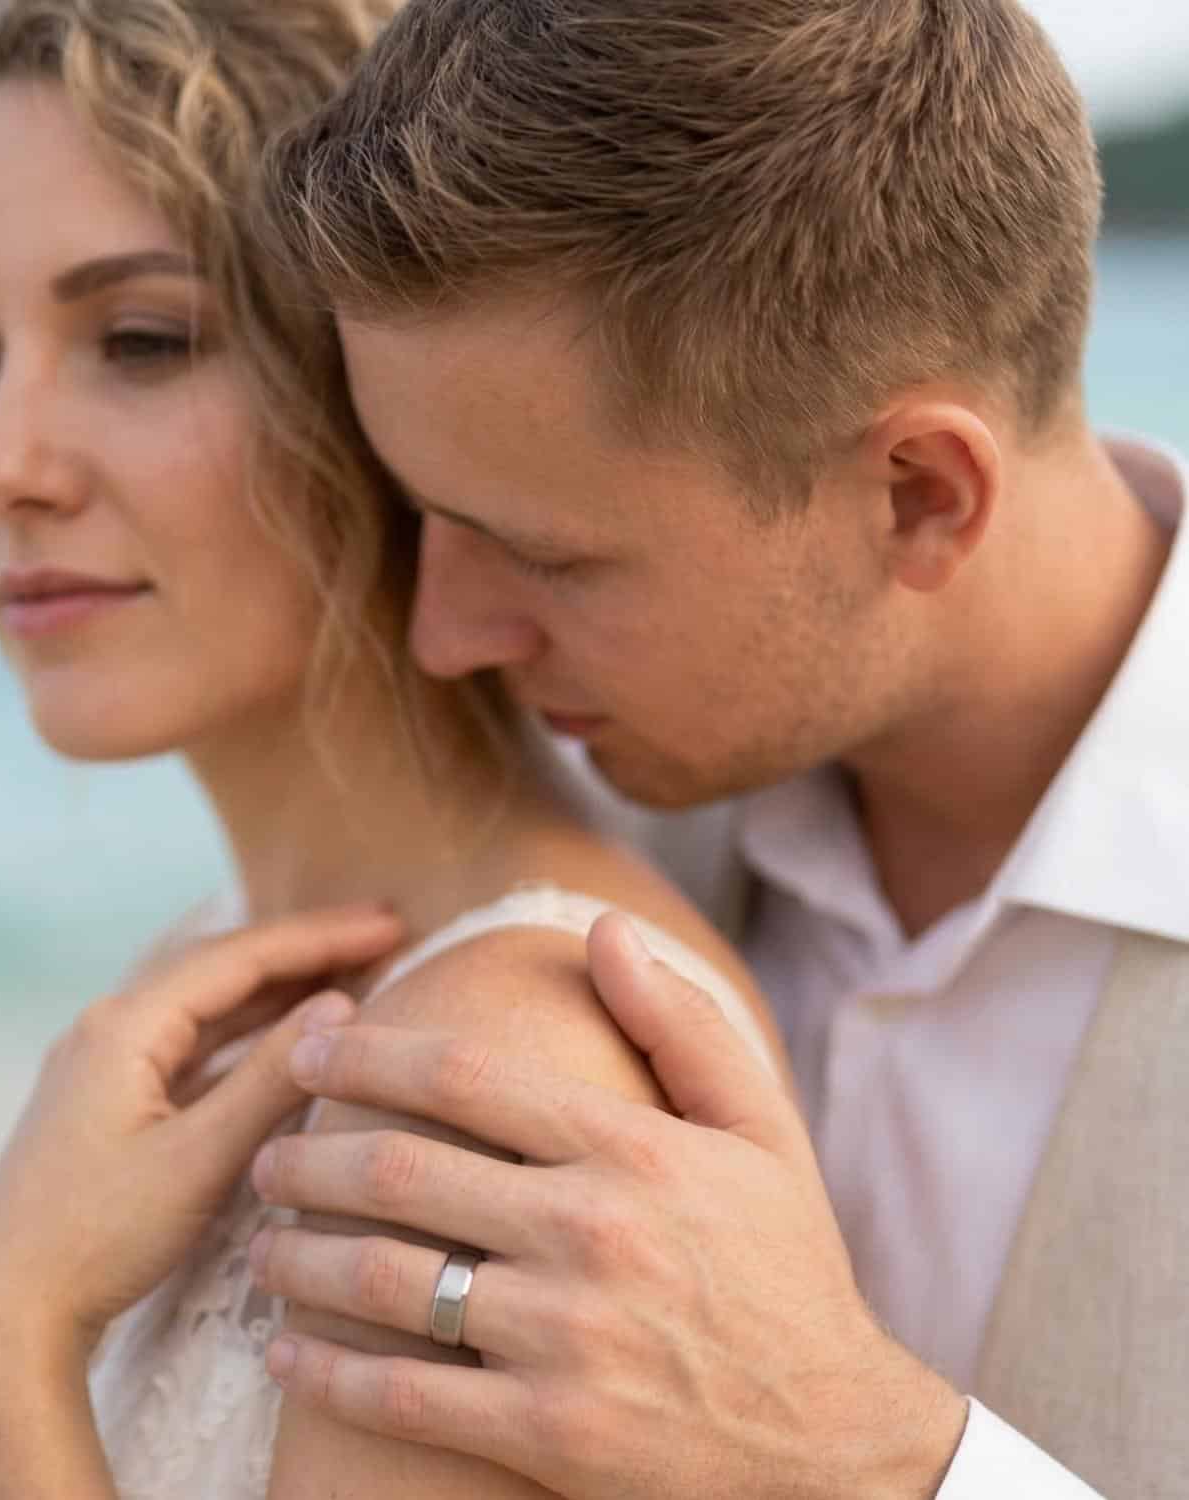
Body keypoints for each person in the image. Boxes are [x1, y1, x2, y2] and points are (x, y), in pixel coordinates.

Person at [240, 1, 1189, 1497]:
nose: (442, 639)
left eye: (543, 557)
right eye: (423, 515)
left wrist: (879, 1456)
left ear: (921, 496)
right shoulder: (583, 851)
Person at [0, 1, 791, 1497]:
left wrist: (2, 1343)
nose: (1, 469)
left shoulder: (505, 1053)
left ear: (374, 381)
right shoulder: (223, 962)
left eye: (140, 339)